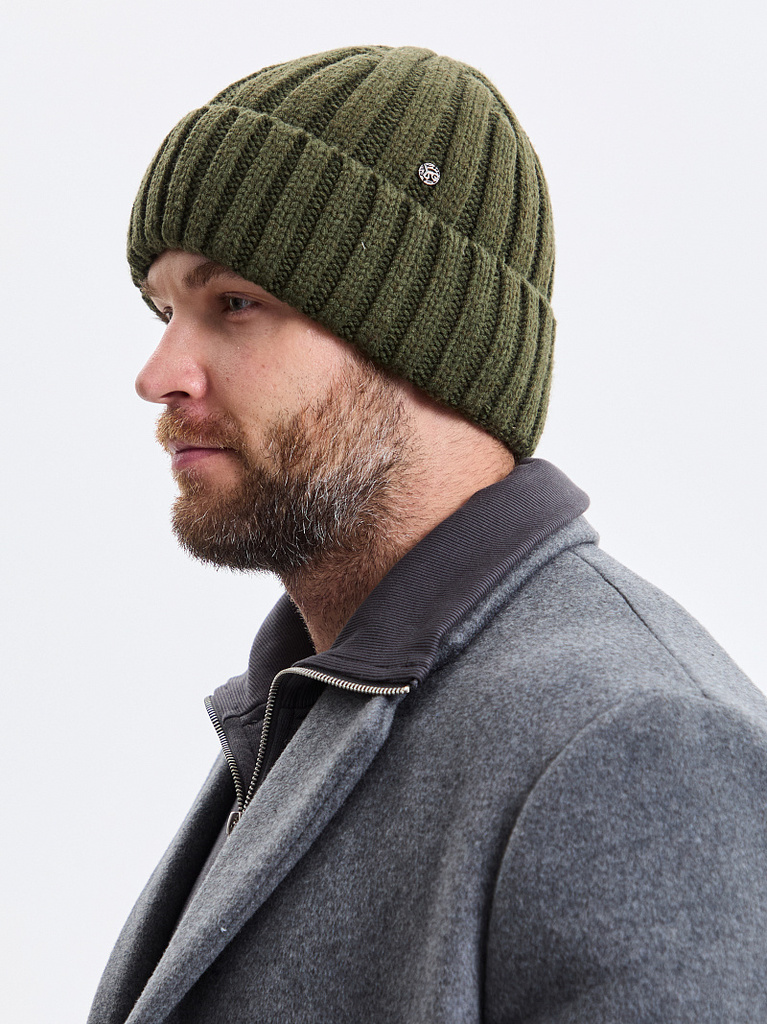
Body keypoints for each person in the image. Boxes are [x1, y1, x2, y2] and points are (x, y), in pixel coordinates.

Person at [89, 45, 767, 1024]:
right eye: (164, 310)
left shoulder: (636, 746)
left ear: (419, 339)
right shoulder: (308, 703)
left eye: (233, 303)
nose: (159, 374)